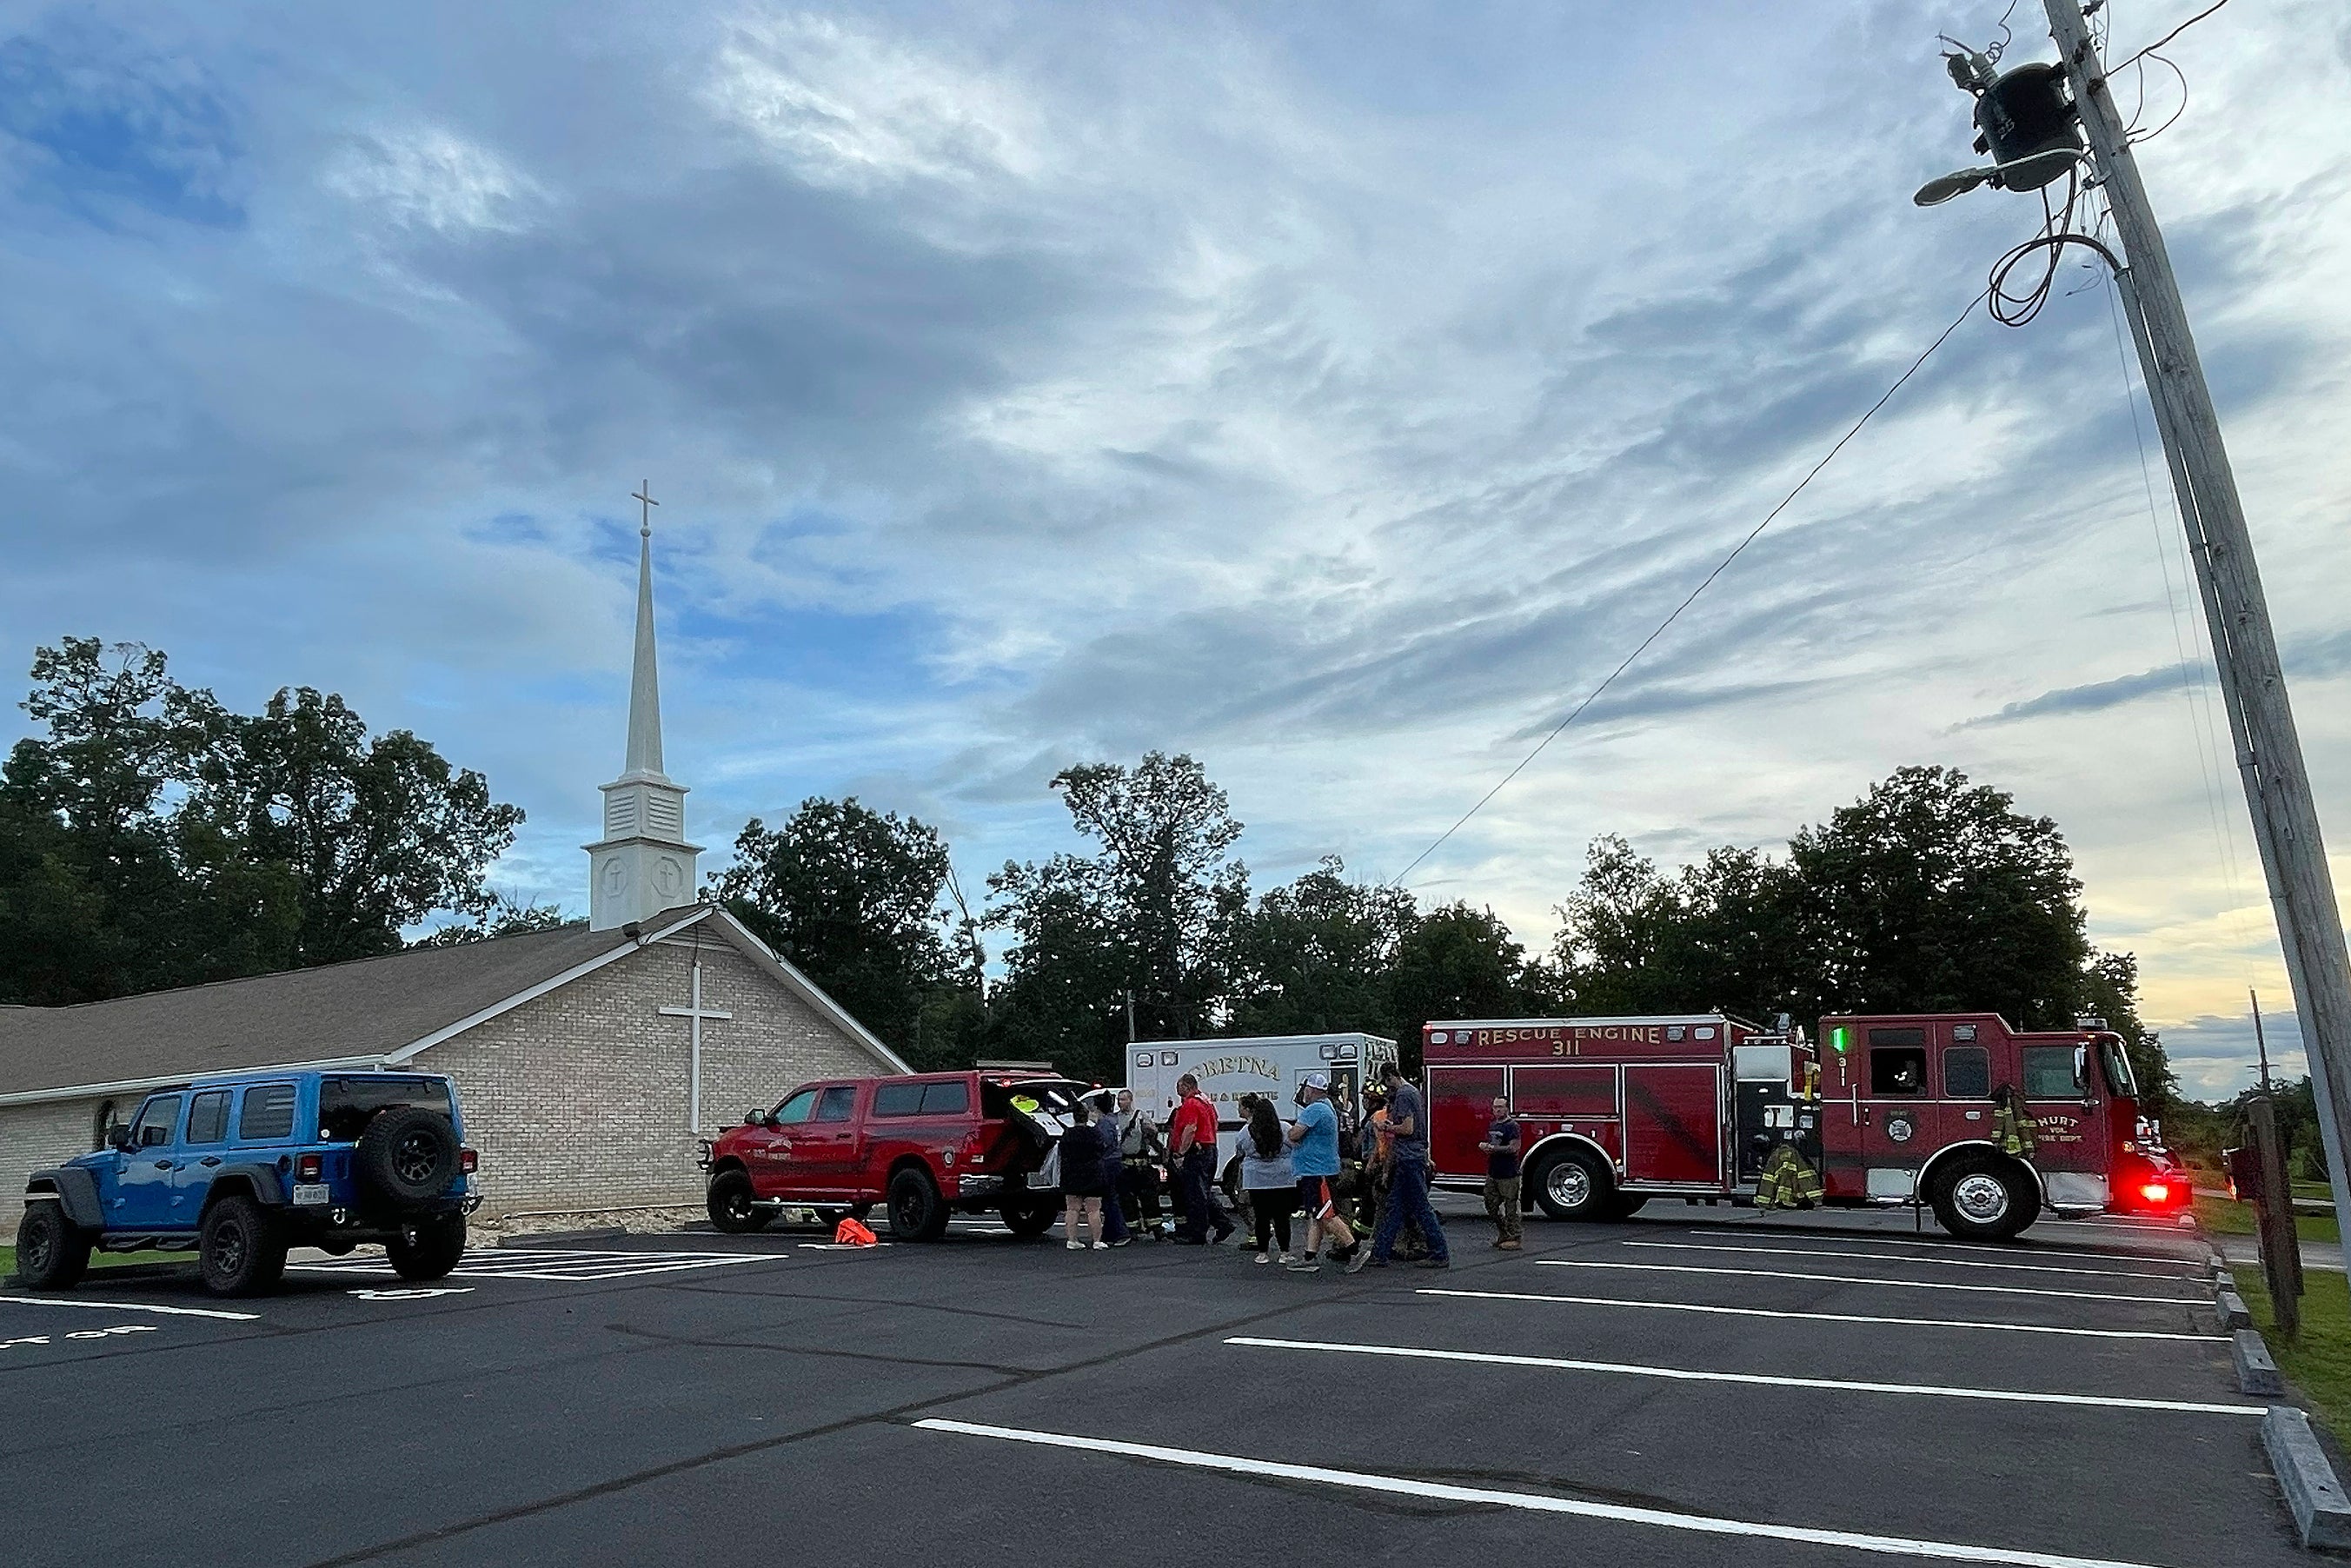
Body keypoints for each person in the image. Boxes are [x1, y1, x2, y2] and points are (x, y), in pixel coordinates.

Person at [1368, 1062, 1449, 1269]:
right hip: (1412, 1157)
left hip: (1408, 1158)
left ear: (1389, 1078)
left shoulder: (1404, 1095)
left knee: (1421, 1208)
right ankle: (1380, 1253)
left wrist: (1386, 1126)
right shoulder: (1413, 1092)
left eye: (1386, 1083)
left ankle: (1440, 1253)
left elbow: (1408, 1128)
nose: (1387, 1089)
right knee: (1395, 1207)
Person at [1285, 1073, 1363, 1272]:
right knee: (1316, 1215)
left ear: (1311, 1089)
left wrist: (1293, 1135)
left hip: (1316, 1171)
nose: (1303, 1093)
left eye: (1305, 1089)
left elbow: (1294, 1134)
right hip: (1322, 1169)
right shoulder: (1328, 1107)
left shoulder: (1315, 1110)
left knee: (1327, 1214)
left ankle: (1354, 1250)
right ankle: (1309, 1256)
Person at [1167, 1073, 1234, 1245]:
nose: (1176, 1089)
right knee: (1202, 1191)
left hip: (1197, 1152)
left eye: (1179, 1086)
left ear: (1187, 1086)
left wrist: (1181, 1152)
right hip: (1208, 1150)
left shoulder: (1190, 1104)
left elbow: (1190, 1129)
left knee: (1195, 1195)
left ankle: (1197, 1234)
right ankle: (1222, 1223)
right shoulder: (1205, 1102)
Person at [1235, 1096, 1298, 1264]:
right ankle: (1285, 1252)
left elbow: (1240, 1152)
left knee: (1261, 1217)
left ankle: (1262, 1253)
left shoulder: (1245, 1132)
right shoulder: (1284, 1128)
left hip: (1257, 1179)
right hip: (1282, 1178)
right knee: (1282, 1218)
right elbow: (1296, 1147)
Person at [1059, 1100, 1110, 1251]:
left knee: (1072, 1208)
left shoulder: (1067, 1134)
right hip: (1092, 1173)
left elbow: (1062, 1152)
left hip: (1071, 1174)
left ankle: (1072, 1240)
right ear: (1087, 1117)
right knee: (1093, 1209)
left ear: (1073, 1117)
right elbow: (1102, 1149)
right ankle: (1097, 1241)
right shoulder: (1094, 1134)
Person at [1112, 1089, 1165, 1234]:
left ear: (1130, 1100)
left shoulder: (1141, 1117)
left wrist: (1151, 1131)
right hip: (1125, 1165)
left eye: (1123, 1099)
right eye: (1119, 1099)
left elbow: (1153, 1135)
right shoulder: (1116, 1119)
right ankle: (1132, 1228)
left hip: (1142, 1165)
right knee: (1126, 1198)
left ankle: (1156, 1227)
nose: (1120, 1102)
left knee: (1149, 1197)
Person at [1478, 1094, 1523, 1251]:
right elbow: (1491, 1143)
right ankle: (1503, 1233)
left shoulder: (1512, 1126)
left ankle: (1515, 1236)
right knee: (1490, 1203)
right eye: (1495, 1107)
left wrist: (1493, 1149)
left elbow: (1514, 1147)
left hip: (1509, 1173)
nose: (1497, 1110)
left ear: (1507, 1108)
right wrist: (1486, 1146)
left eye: (1500, 1107)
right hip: (1493, 1172)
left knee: (1511, 1206)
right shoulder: (1493, 1125)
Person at [1089, 1091, 1133, 1246]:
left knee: (1109, 1199)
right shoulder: (1114, 1120)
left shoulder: (1103, 1123)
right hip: (1117, 1160)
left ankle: (1121, 1233)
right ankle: (1109, 1233)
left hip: (1107, 1162)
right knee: (1111, 1198)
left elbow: (1104, 1143)